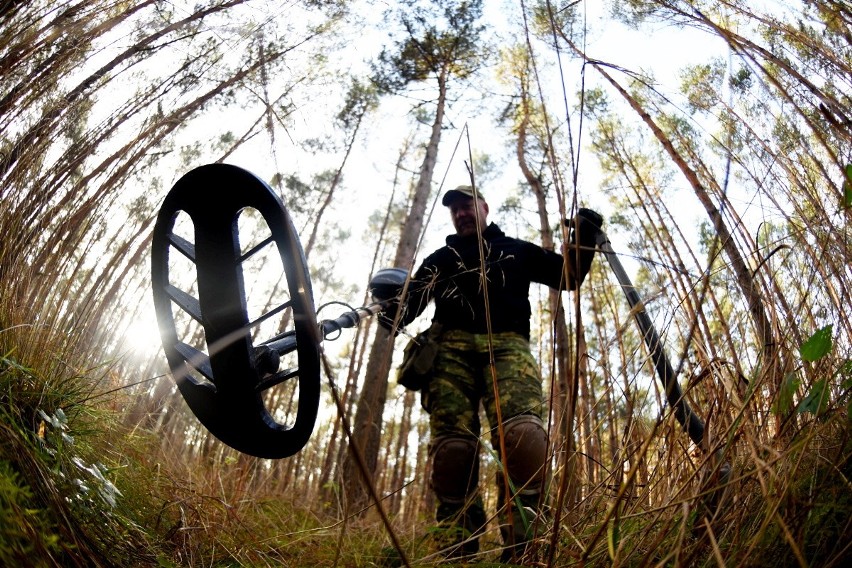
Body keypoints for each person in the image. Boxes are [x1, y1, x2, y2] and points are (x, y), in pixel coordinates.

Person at [380, 184, 602, 563]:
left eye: (467, 206)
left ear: (483, 207)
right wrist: (385, 300)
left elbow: (568, 276)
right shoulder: (441, 258)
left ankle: (523, 545)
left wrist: (583, 235)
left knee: (523, 437)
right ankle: (457, 546)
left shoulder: (516, 249)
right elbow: (402, 313)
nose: (461, 214)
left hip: (508, 345)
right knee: (452, 449)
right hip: (450, 350)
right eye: (455, 210)